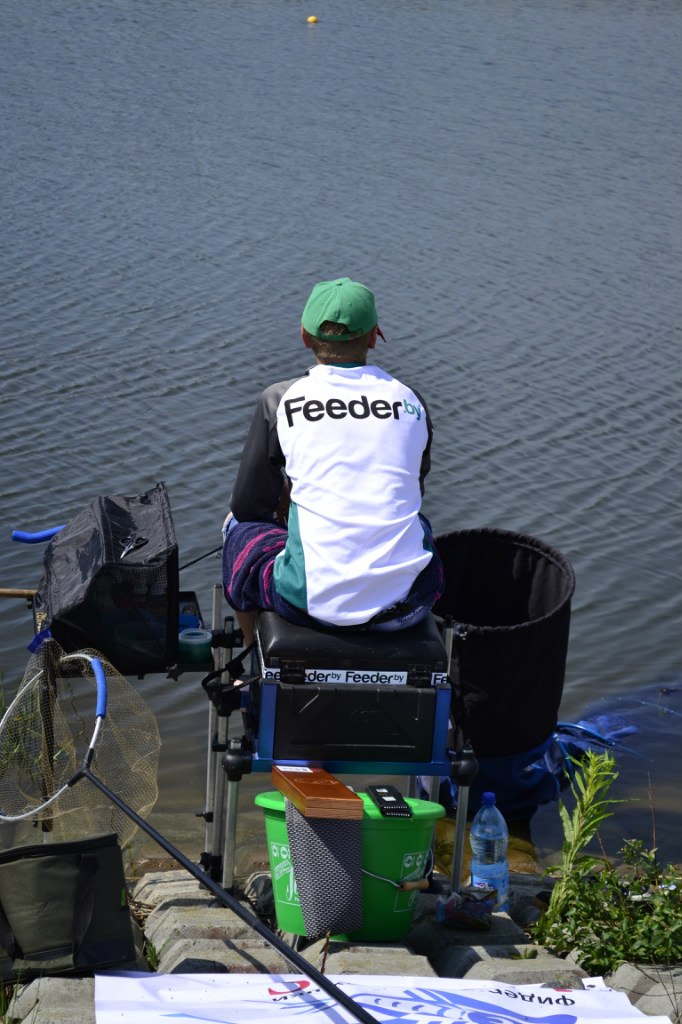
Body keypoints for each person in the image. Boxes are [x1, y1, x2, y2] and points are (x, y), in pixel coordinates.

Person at [222, 276, 443, 646]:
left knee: (237, 528)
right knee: (418, 522)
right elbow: (411, 490)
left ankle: (249, 652)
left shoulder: (280, 400)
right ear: (373, 337)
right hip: (409, 601)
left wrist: (287, 498)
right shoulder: (411, 401)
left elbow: (248, 507)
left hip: (308, 602)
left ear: (304, 336)